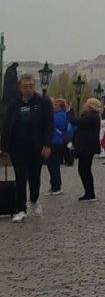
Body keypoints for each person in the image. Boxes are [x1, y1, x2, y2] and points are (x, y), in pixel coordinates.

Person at [1, 74, 55, 221]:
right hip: (17, 147)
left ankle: (34, 199)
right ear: (20, 87)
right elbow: (7, 125)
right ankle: (21, 208)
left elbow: (49, 125)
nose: (28, 89)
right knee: (20, 178)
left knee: (34, 176)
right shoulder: (14, 104)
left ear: (34, 86)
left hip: (36, 146)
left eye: (31, 86)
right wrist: (3, 147)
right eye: (25, 87)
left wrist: (47, 144)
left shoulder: (43, 102)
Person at [75, 98, 102, 200]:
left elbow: (76, 121)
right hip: (86, 146)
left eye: (86, 104)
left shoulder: (92, 116)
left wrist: (69, 112)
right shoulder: (91, 116)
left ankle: (90, 193)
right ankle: (88, 192)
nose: (84, 106)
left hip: (87, 146)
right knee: (84, 169)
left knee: (84, 170)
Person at [48, 98, 71, 194]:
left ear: (60, 106)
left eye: (55, 105)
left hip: (55, 141)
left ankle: (56, 186)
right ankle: (55, 184)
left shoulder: (58, 116)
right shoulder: (63, 115)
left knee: (53, 164)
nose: (53, 106)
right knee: (54, 164)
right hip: (59, 141)